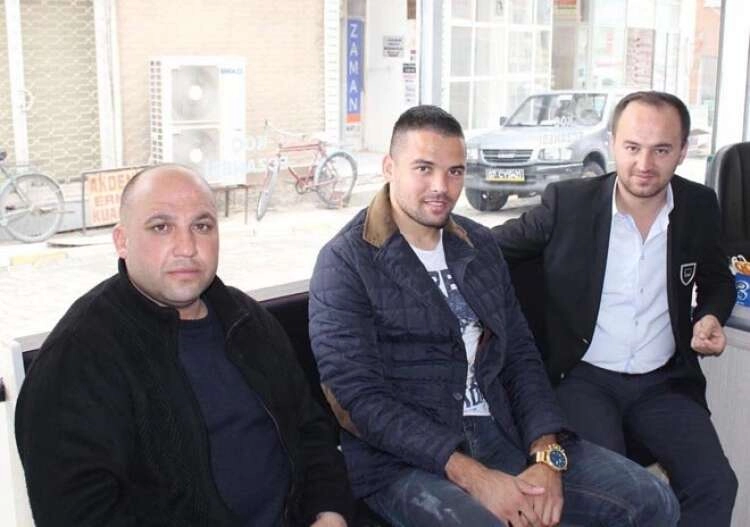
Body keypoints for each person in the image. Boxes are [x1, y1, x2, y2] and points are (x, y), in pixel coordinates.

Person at [309, 105, 679, 527]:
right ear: (389, 167)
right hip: (406, 461)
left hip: (502, 432)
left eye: (455, 172)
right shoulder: (346, 262)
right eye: (424, 169)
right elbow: (358, 400)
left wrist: (545, 454)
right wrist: (474, 476)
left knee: (652, 501)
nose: (441, 187)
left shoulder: (478, 245)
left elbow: (520, 355)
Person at [15, 165, 353, 527]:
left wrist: (330, 511)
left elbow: (310, 430)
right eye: (161, 227)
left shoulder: (246, 320)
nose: (187, 248)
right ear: (122, 241)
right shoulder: (77, 358)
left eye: (202, 226)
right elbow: (79, 513)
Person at [493, 91, 738, 526]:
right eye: (632, 147)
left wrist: (711, 315)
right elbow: (489, 248)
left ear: (683, 151)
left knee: (715, 484)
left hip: (664, 382)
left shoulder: (698, 206)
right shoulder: (568, 203)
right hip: (583, 379)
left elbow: (718, 279)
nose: (644, 163)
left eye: (661, 150)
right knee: (615, 497)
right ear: (612, 143)